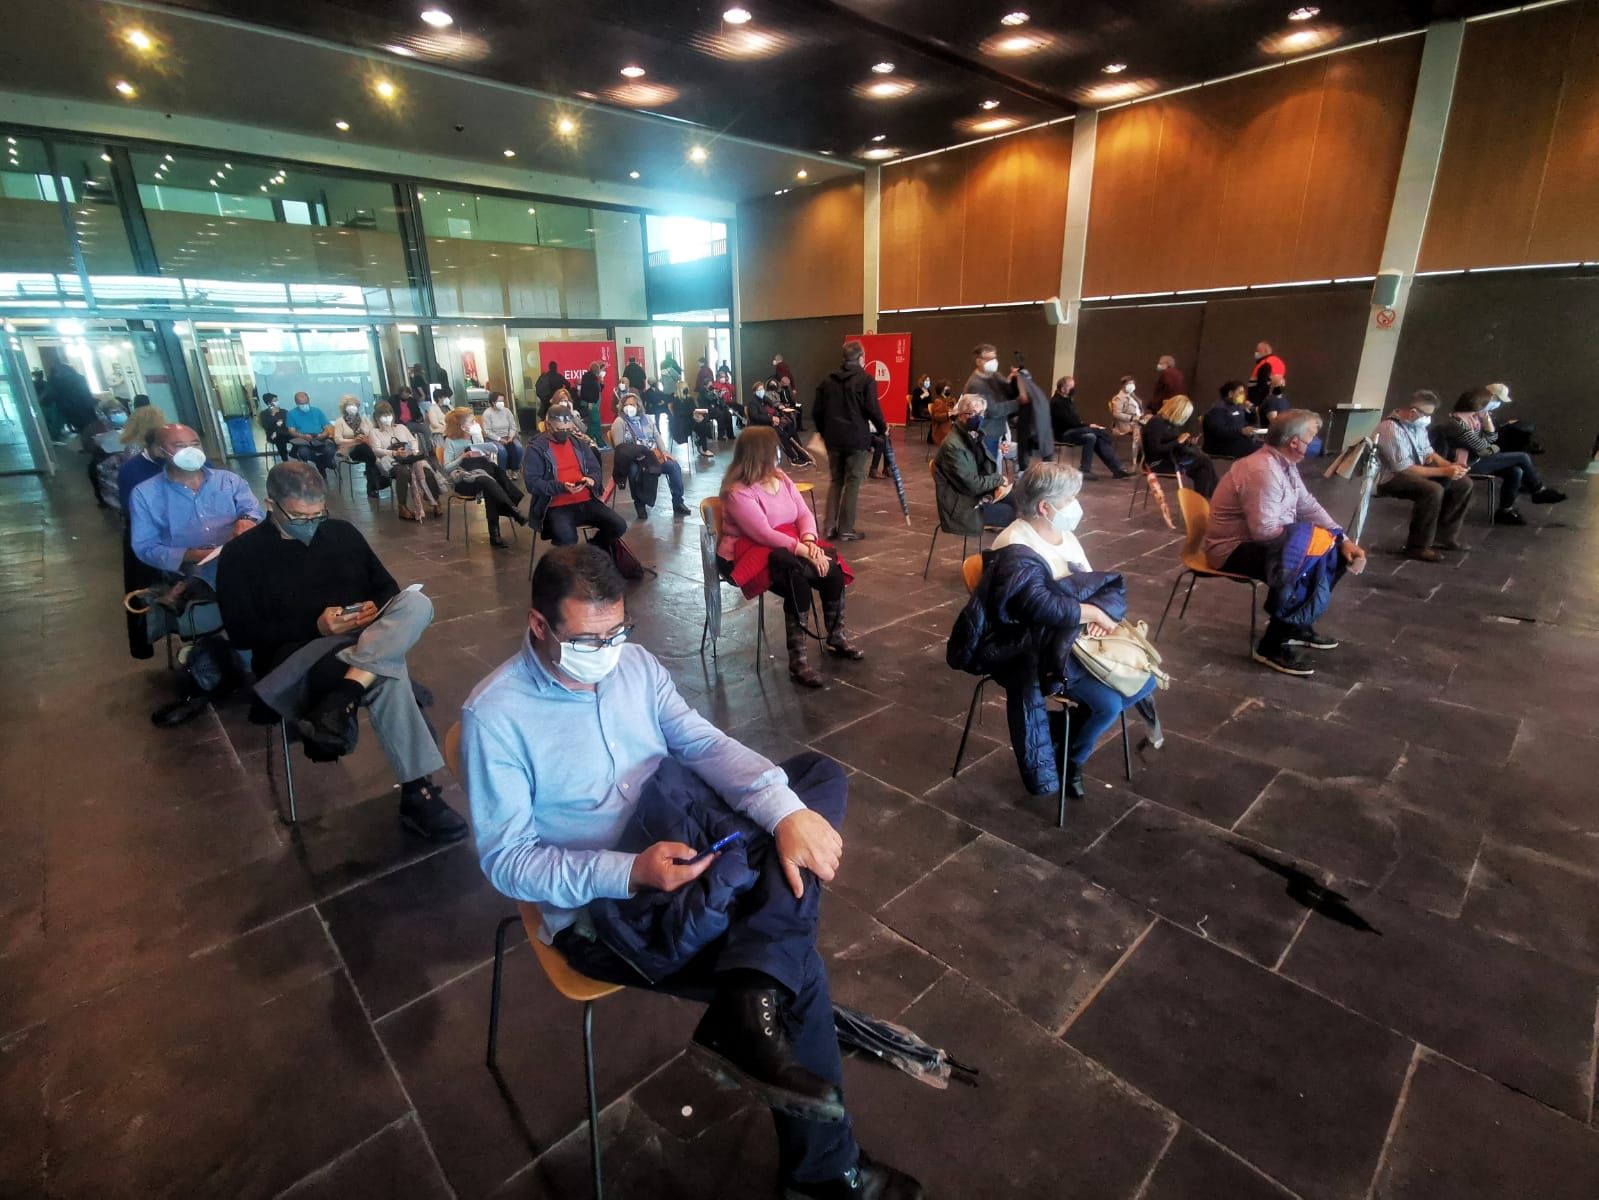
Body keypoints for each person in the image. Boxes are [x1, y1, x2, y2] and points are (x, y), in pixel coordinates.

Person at [461, 545, 918, 1200]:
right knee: (796, 971)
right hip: (607, 912)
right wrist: (628, 872)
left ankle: (747, 996)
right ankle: (821, 1171)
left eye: (618, 631)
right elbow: (508, 861)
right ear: (539, 626)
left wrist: (784, 813)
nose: (608, 652)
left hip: (688, 838)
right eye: (590, 639)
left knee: (816, 779)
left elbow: (700, 743)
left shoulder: (634, 667)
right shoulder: (496, 716)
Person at [216, 462, 466, 843]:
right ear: (271, 505)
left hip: (359, 641)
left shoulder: (342, 533)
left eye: (318, 515)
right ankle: (419, 791)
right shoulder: (241, 555)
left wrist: (371, 607)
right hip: (295, 657)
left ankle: (343, 697)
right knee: (387, 672)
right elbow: (241, 633)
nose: (311, 524)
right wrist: (313, 626)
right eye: (299, 516)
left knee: (417, 606)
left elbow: (387, 588)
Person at [980, 463, 1160, 797]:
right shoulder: (1014, 545)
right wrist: (1092, 613)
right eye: (1070, 499)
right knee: (1107, 704)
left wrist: (1097, 616)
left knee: (1144, 679)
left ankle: (1062, 734)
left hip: (1074, 636)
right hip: (1036, 646)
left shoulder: (1065, 535)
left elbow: (1091, 583)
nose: (1077, 505)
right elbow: (1036, 608)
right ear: (1045, 507)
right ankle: (1071, 760)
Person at [1204, 409, 1365, 676]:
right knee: (1302, 558)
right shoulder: (1262, 470)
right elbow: (1263, 531)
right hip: (1230, 549)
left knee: (1331, 549)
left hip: (1262, 542)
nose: (1315, 441)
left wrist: (1342, 538)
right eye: (1312, 436)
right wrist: (1310, 542)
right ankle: (1271, 646)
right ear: (1293, 441)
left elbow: (1308, 506)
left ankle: (1297, 623)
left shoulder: (1283, 465)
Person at [719, 428, 862, 688]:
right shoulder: (738, 492)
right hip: (748, 550)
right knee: (798, 580)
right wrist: (805, 551)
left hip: (788, 542)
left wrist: (809, 540)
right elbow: (762, 533)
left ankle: (836, 636)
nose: (778, 455)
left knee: (832, 569)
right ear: (758, 455)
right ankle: (798, 661)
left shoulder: (780, 478)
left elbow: (804, 514)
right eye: (773, 450)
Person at [130, 424, 263, 590]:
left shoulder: (229, 480)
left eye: (195, 444)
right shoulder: (144, 494)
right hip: (187, 568)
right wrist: (192, 555)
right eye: (179, 446)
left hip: (238, 556)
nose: (191, 451)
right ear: (159, 451)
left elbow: (252, 510)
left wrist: (247, 520)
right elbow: (146, 547)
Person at [1436, 388, 1565, 524]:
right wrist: (1492, 439)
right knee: (1522, 457)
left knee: (1516, 471)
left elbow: (1487, 443)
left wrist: (1489, 427)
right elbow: (1483, 447)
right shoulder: (1457, 423)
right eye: (1488, 403)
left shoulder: (1474, 419)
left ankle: (1505, 510)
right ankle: (1538, 490)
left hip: (1477, 458)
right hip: (1465, 464)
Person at [1374, 390, 1474, 562]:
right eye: (1426, 415)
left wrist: (1451, 466)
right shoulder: (1390, 429)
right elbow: (1404, 469)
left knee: (1463, 484)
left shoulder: (1417, 426)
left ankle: (1445, 535)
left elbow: (1430, 452)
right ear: (1413, 412)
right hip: (1390, 477)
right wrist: (1444, 472)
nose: (1428, 419)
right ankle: (1417, 546)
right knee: (1432, 490)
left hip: (1416, 471)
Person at [524, 400, 627, 552]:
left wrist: (592, 479)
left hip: (586, 500)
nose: (564, 433)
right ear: (548, 425)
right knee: (568, 539)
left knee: (618, 525)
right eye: (560, 429)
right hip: (555, 505)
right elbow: (532, 483)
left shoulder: (578, 443)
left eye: (568, 428)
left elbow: (595, 469)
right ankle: (574, 563)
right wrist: (561, 487)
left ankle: (590, 552)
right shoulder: (536, 449)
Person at [812, 340, 885, 543]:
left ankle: (828, 527)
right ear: (861, 358)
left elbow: (816, 411)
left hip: (833, 439)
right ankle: (846, 529)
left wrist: (824, 432)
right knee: (852, 482)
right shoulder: (865, 380)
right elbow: (872, 410)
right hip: (856, 439)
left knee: (836, 481)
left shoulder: (827, 381)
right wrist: (882, 428)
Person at [442, 407, 528, 549]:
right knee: (487, 481)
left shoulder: (475, 436)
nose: (475, 423)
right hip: (464, 479)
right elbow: (447, 467)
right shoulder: (450, 441)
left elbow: (483, 456)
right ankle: (511, 511)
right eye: (471, 421)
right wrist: (463, 456)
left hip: (481, 473)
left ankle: (497, 533)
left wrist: (485, 454)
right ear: (462, 427)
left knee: (490, 483)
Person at [934, 394, 1015, 536]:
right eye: (973, 413)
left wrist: (997, 486)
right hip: (962, 508)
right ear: (960, 415)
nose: (979, 418)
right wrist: (998, 480)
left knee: (1020, 499)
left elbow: (985, 467)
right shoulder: (952, 445)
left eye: (981, 413)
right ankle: (1007, 555)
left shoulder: (972, 434)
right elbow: (972, 485)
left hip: (974, 496)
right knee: (1015, 512)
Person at [611, 391, 691, 519]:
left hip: (652, 456)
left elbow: (657, 436)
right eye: (626, 404)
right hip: (634, 459)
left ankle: (678, 502)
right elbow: (620, 448)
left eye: (632, 404)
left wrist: (664, 452)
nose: (629, 407)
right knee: (633, 471)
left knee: (674, 466)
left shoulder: (647, 419)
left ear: (638, 406)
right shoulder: (619, 422)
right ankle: (640, 504)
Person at [367, 400, 441, 521]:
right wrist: (394, 452)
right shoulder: (374, 432)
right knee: (403, 472)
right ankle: (402, 506)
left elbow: (413, 440)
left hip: (408, 457)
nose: (387, 417)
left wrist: (414, 450)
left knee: (426, 470)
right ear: (377, 417)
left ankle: (435, 500)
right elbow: (376, 450)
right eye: (383, 415)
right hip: (389, 460)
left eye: (388, 414)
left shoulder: (401, 427)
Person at [1050, 376, 1129, 479]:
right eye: (1071, 387)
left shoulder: (1067, 400)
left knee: (1093, 436)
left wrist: (1087, 425)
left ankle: (1116, 469)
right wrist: (1088, 425)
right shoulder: (1056, 402)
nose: (1073, 389)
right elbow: (1069, 422)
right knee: (1094, 433)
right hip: (1063, 433)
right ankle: (1087, 468)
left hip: (1073, 430)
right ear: (1063, 389)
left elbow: (1076, 421)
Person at [1142, 395, 1218, 498]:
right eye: (1185, 415)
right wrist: (1178, 441)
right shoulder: (1157, 422)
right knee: (1203, 462)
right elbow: (1154, 450)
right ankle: (1209, 499)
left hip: (1170, 457)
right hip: (1157, 463)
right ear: (1177, 411)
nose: (1185, 418)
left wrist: (1186, 442)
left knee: (1203, 463)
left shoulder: (1170, 424)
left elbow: (1172, 442)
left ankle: (1209, 498)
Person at [963, 343, 1023, 463]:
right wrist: (1018, 403)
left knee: (996, 466)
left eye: (994, 358)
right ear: (979, 361)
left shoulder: (994, 375)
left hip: (996, 431)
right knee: (989, 468)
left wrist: (1015, 379)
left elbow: (1007, 391)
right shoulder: (976, 384)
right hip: (985, 434)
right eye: (989, 359)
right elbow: (992, 410)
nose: (994, 361)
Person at [749, 380, 814, 468]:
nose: (761, 391)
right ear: (754, 392)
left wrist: (778, 414)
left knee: (791, 429)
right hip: (762, 425)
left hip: (772, 422)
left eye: (762, 389)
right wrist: (771, 418)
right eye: (759, 390)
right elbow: (755, 416)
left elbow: (773, 407)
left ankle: (801, 453)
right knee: (782, 434)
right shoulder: (753, 403)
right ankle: (793, 458)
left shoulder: (764, 398)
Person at [331, 395, 384, 498]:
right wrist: (354, 440)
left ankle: (372, 485)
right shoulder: (340, 422)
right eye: (350, 405)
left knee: (370, 455)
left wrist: (366, 438)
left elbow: (373, 432)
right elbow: (337, 440)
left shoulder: (364, 419)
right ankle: (374, 484)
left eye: (355, 405)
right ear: (344, 407)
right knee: (370, 454)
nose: (353, 407)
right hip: (351, 448)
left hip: (367, 445)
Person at [1201, 381, 1262, 459]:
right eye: (1240, 392)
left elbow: (1249, 423)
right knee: (1258, 451)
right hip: (1222, 446)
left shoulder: (1238, 407)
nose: (1243, 395)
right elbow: (1219, 431)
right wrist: (1241, 431)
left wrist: (1252, 412)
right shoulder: (1218, 409)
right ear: (1230, 393)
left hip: (1237, 441)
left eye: (1243, 393)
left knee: (1263, 447)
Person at [283, 391, 337, 476]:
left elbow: (327, 427)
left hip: (320, 438)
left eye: (306, 402)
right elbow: (291, 431)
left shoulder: (317, 411)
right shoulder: (291, 414)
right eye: (301, 403)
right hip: (304, 440)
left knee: (330, 448)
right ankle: (320, 462)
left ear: (309, 400)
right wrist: (302, 436)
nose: (304, 405)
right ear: (296, 403)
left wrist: (323, 434)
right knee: (303, 452)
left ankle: (323, 463)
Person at [480, 390, 525, 473]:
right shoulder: (487, 413)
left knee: (519, 448)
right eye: (499, 401)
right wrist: (499, 439)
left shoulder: (507, 411)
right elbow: (487, 431)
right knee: (502, 451)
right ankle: (503, 472)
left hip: (508, 436)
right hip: (493, 438)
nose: (502, 403)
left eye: (503, 401)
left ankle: (515, 469)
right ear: (493, 402)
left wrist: (511, 436)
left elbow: (513, 426)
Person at [670, 387, 716, 460]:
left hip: (690, 418)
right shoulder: (676, 400)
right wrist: (692, 414)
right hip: (682, 421)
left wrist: (698, 415)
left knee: (704, 422)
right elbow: (679, 414)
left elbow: (694, 409)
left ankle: (702, 446)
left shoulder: (690, 398)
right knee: (701, 425)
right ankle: (702, 447)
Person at [1248, 341, 1287, 409]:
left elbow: (1262, 386)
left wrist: (1256, 404)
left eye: (1257, 350)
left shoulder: (1266, 363)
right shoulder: (1278, 362)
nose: (1256, 353)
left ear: (1265, 350)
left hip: (1262, 403)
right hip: (1274, 401)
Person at [257, 392, 292, 461]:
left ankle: (294, 453)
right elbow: (267, 426)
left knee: (296, 436)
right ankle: (285, 460)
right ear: (269, 403)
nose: (277, 402)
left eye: (277, 400)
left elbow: (288, 422)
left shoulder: (283, 411)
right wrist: (273, 415)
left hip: (286, 432)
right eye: (275, 401)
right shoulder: (264, 414)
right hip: (273, 435)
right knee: (280, 438)